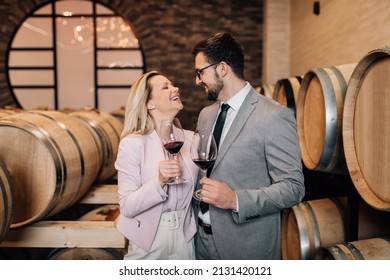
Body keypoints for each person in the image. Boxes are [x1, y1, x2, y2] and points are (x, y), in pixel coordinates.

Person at [191, 32, 305, 260]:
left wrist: (235, 199)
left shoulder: (273, 116)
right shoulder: (206, 115)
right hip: (200, 243)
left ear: (222, 69)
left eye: (200, 72)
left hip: (246, 247)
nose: (197, 80)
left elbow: (293, 188)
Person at [115, 71, 198, 260]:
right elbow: (127, 206)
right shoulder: (133, 144)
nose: (175, 88)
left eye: (172, 84)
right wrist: (159, 181)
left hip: (185, 238)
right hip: (148, 240)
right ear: (149, 103)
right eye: (165, 86)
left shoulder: (191, 139)